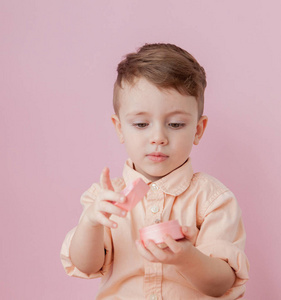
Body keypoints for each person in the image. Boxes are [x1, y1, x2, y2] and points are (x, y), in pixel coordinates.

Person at [60, 43, 249, 299]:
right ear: (119, 128)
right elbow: (86, 265)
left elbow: (221, 283)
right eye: (141, 124)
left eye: (175, 124)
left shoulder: (212, 199)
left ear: (198, 130)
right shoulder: (106, 199)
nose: (158, 137)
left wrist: (186, 258)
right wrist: (91, 222)